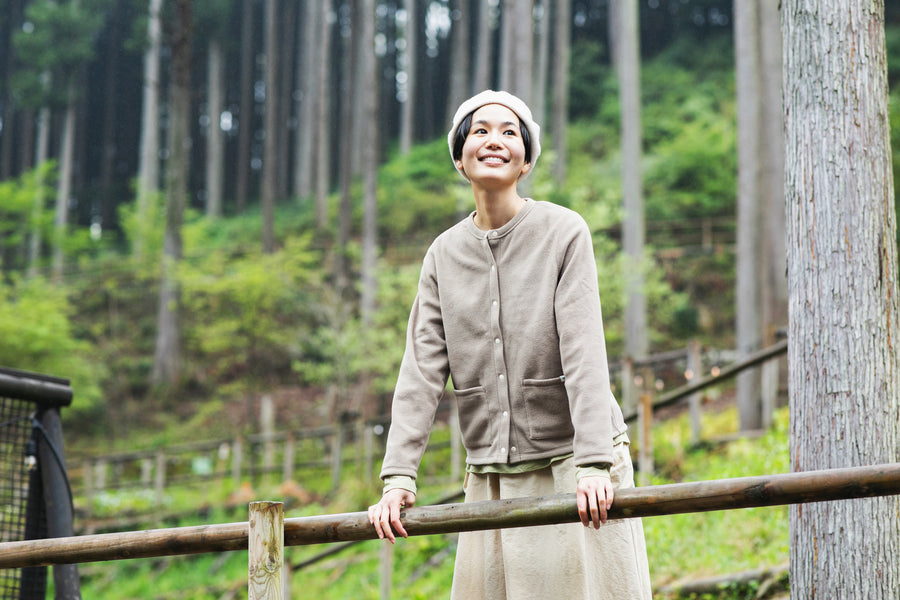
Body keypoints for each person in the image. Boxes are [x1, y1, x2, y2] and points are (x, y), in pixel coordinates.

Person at [368, 90, 652, 599]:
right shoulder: (442, 255)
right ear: (460, 159)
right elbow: (421, 372)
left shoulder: (564, 232)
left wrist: (594, 464)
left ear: (526, 161)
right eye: (480, 131)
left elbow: (585, 352)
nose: (494, 140)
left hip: (575, 463)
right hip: (491, 475)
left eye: (509, 132)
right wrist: (398, 478)